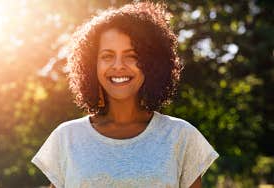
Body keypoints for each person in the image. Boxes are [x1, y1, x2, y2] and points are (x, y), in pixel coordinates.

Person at [31, 2, 219, 188]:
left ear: (151, 62)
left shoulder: (181, 136)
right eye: (107, 56)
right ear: (91, 65)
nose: (118, 65)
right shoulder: (67, 137)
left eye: (132, 56)